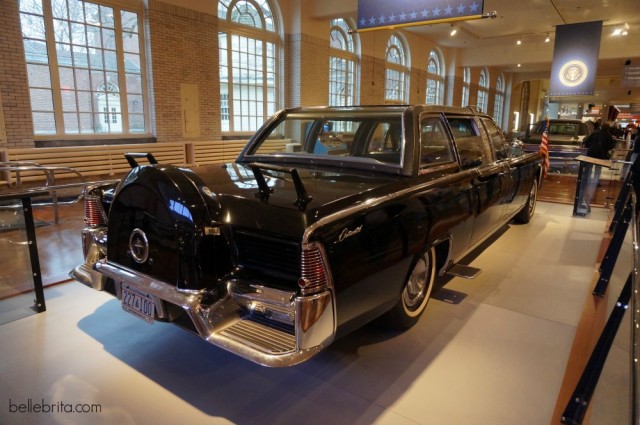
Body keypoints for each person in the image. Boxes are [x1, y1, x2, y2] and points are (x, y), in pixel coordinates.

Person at [579, 123, 616, 209]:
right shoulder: (608, 136)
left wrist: (592, 146)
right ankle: (596, 181)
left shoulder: (595, 133)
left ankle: (586, 180)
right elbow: (610, 146)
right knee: (598, 169)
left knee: (588, 168)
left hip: (591, 153)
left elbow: (587, 142)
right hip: (600, 154)